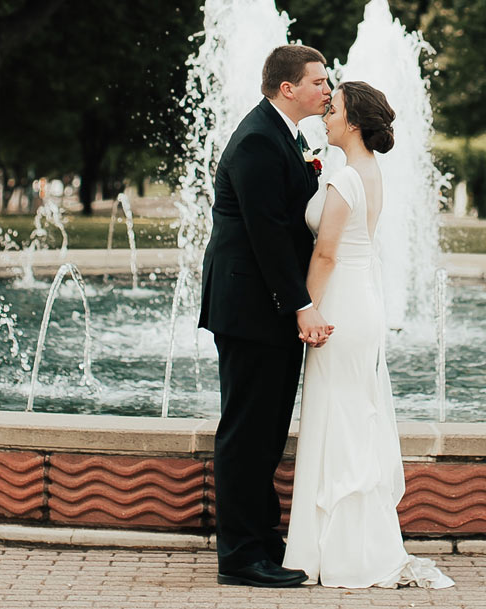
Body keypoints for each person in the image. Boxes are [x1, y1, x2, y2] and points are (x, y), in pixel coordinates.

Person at [283, 81, 455, 590]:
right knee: (349, 417)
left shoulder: (347, 181)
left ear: (353, 122)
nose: (325, 116)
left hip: (339, 304)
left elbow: (327, 254)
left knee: (341, 420)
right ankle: (337, 544)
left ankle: (344, 550)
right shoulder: (365, 173)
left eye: (332, 109)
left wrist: (305, 309)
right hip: (360, 302)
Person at [198, 45, 334, 588]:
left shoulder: (286, 135)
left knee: (267, 432)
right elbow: (268, 234)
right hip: (250, 309)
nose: (328, 89)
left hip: (267, 309)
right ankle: (239, 557)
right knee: (247, 433)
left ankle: (263, 541)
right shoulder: (258, 139)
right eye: (319, 82)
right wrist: (301, 305)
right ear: (287, 89)